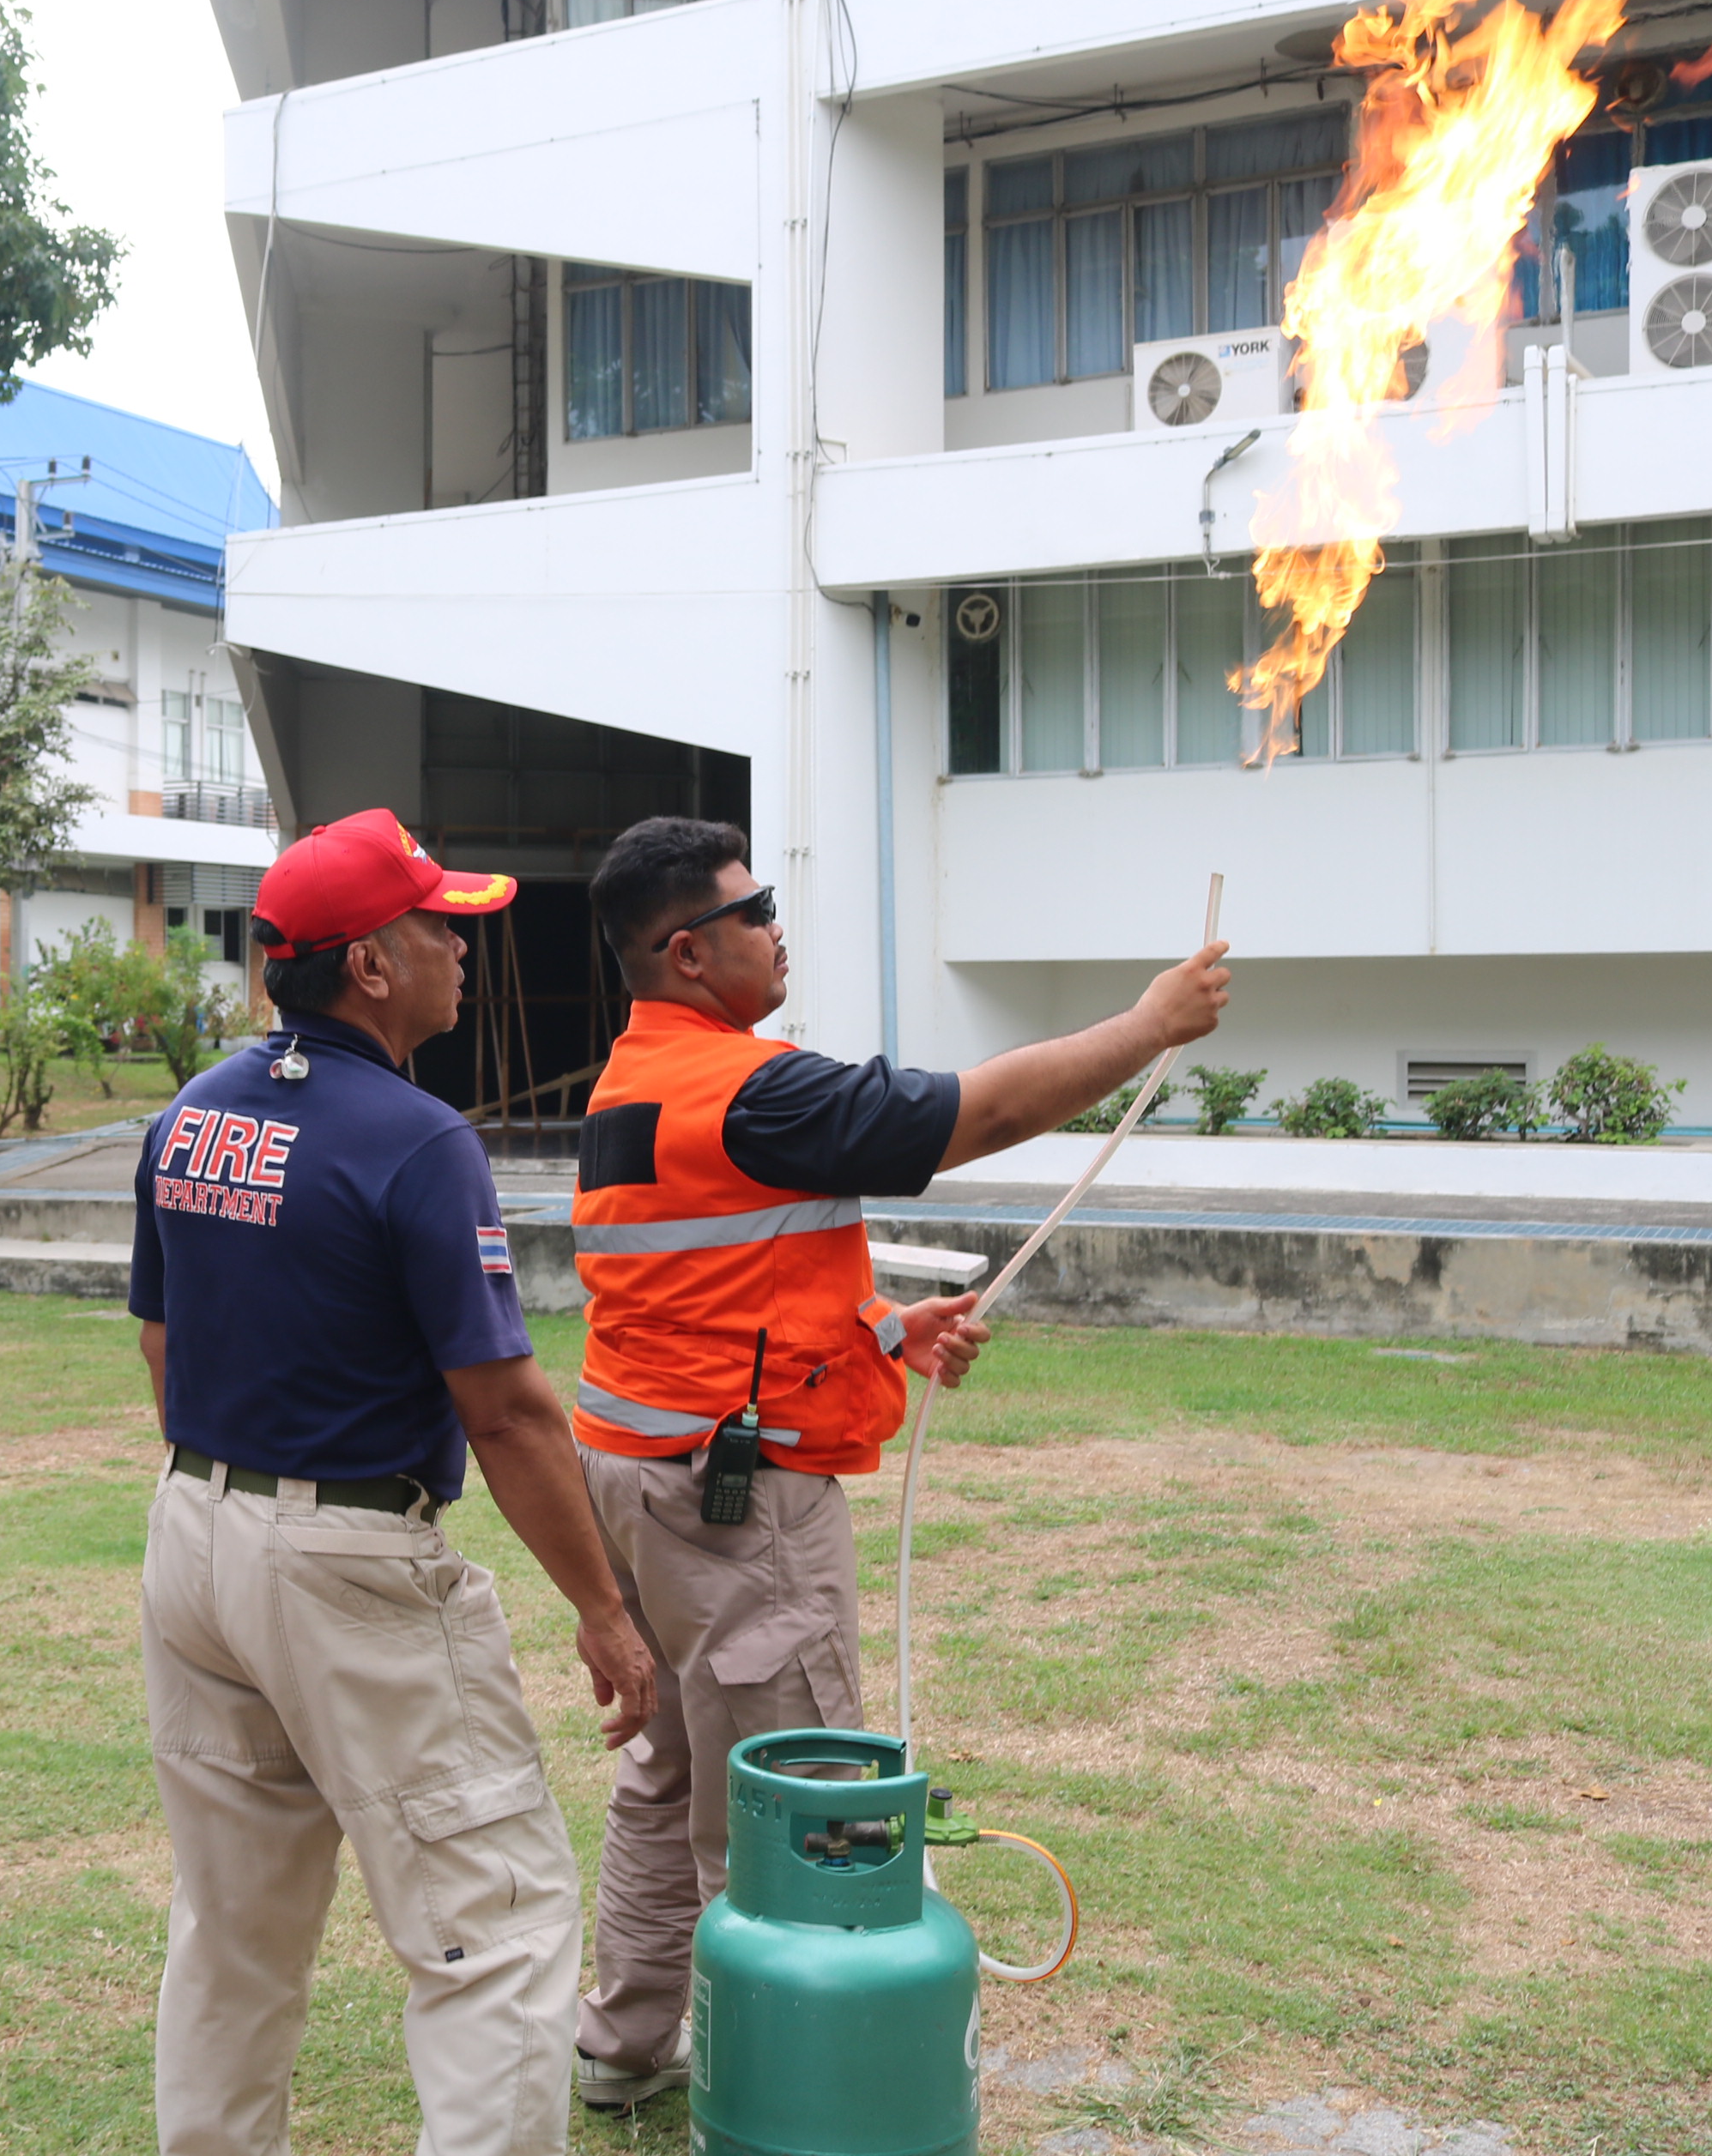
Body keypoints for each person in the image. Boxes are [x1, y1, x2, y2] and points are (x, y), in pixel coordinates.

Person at [565, 814, 1231, 2111]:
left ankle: (627, 2046)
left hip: (636, 1485)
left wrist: (882, 1326)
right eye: (756, 909)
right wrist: (1150, 1024)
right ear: (690, 952)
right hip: (731, 1508)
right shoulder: (752, 1086)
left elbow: (708, 1280)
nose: (778, 923)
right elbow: (978, 1114)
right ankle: (787, 2097)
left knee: (676, 1772)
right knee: (793, 1790)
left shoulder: (629, 1085)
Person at [131, 808, 658, 2156]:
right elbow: (507, 1410)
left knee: (232, 1929)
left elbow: (164, 1341)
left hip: (194, 1534)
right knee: (500, 1929)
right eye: (438, 923)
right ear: (369, 964)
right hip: (348, 1556)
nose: (465, 946)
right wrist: (606, 1611)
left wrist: (230, 1495)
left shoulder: (190, 1118)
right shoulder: (419, 1140)